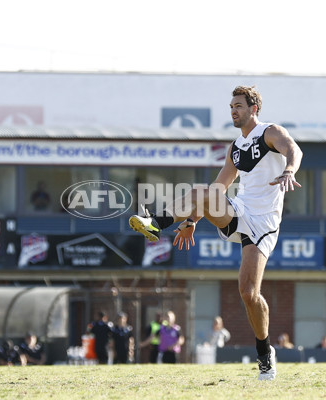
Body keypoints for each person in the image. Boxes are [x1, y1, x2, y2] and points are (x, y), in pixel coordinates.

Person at [129, 85, 303, 380]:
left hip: (263, 224)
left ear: (253, 109)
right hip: (239, 211)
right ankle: (155, 223)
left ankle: (265, 354)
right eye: (231, 106)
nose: (233, 110)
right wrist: (193, 220)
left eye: (238, 106)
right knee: (202, 191)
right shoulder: (236, 148)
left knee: (249, 294)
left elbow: (293, 149)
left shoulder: (270, 132)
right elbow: (217, 190)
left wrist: (290, 170)